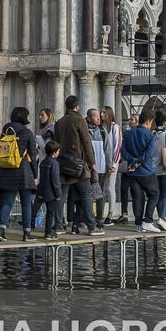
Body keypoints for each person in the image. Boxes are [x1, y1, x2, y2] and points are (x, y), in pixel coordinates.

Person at [0, 106, 37, 241]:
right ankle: (26, 233)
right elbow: (33, 155)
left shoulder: (5, 130)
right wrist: (35, 175)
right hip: (23, 170)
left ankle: (0, 230)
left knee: (8, 202)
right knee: (26, 203)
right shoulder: (27, 132)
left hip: (7, 169)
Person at [55, 95, 96, 235]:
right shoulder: (80, 120)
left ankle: (59, 225)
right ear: (77, 106)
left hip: (62, 163)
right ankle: (92, 226)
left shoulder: (59, 122)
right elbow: (86, 143)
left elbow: (56, 143)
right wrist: (92, 162)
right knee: (86, 194)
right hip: (79, 164)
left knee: (61, 196)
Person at [121, 109, 161, 233]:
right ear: (149, 121)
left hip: (132, 171)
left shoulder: (128, 134)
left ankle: (138, 224)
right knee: (154, 194)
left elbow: (123, 151)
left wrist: (133, 160)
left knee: (137, 197)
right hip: (146, 171)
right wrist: (139, 161)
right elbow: (148, 154)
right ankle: (148, 220)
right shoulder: (150, 135)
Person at [89, 107, 121, 228]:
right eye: (100, 113)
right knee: (98, 190)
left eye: (103, 112)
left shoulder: (114, 127)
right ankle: (96, 215)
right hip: (99, 163)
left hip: (110, 162)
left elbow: (116, 146)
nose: (101, 115)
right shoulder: (101, 128)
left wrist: (112, 164)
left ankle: (110, 214)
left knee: (109, 188)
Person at [36, 141, 64, 239]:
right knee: (50, 213)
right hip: (52, 192)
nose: (59, 153)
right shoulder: (54, 164)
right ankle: (48, 232)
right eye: (58, 151)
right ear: (54, 152)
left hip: (43, 191)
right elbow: (55, 181)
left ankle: (46, 230)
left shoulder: (43, 162)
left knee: (47, 211)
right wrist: (58, 194)